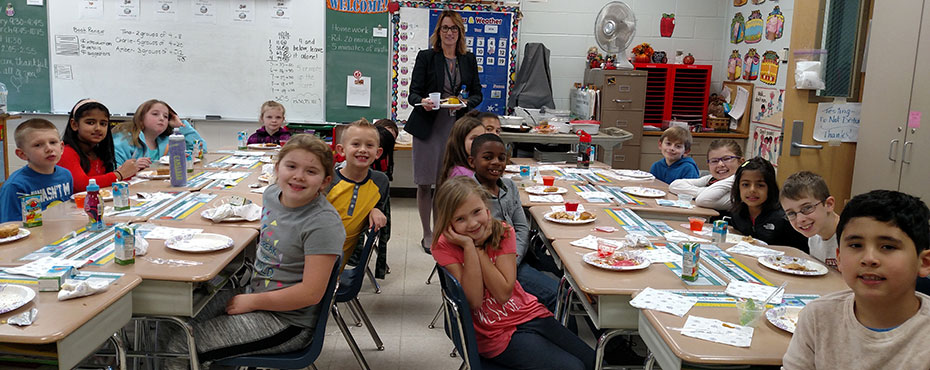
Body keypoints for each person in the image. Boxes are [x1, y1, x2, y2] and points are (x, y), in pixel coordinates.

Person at [163, 134, 343, 369]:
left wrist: (253, 302)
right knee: (171, 322)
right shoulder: (271, 195)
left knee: (181, 346)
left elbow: (310, 293)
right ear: (277, 168)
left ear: (324, 181)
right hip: (255, 294)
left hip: (288, 321)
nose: (298, 176)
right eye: (291, 166)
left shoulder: (322, 223)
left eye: (311, 171)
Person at [431, 176, 595, 370]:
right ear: (449, 224)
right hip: (492, 332)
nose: (473, 223)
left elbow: (504, 292)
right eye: (460, 219)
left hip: (526, 313)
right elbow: (474, 301)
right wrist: (470, 247)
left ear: (486, 208)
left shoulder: (503, 232)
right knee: (573, 367)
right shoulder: (444, 246)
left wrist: (480, 251)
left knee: (591, 361)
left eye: (476, 212)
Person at [782, 190, 930, 369]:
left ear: (924, 262)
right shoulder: (817, 317)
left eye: (888, 247)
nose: (869, 258)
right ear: (839, 258)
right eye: (855, 245)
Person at [405, 10, 483, 254]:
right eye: (445, 28)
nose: (449, 33)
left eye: (454, 28)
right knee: (425, 183)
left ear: (460, 33)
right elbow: (413, 94)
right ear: (438, 32)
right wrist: (424, 101)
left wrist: (465, 103)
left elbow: (477, 94)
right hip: (428, 126)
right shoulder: (427, 57)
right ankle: (427, 234)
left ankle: (441, 231)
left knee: (447, 184)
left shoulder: (467, 59)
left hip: (454, 127)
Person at [468, 134, 558, 311]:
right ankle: (560, 335)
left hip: (518, 254)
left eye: (501, 158)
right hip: (496, 262)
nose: (496, 162)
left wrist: (515, 257)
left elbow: (522, 226)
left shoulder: (509, 186)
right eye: (488, 157)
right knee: (556, 293)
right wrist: (509, 265)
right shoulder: (468, 195)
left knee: (571, 275)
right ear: (472, 162)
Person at [327, 119, 389, 270]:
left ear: (378, 153)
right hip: (313, 254)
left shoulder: (380, 181)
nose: (363, 150)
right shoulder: (327, 182)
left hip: (339, 263)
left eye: (369, 145)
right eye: (355, 144)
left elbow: (378, 204)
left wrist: (376, 209)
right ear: (341, 150)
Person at [58, 99, 140, 192]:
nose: (98, 128)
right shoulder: (66, 152)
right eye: (90, 123)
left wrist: (130, 171)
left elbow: (104, 181)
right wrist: (119, 174)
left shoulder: (97, 152)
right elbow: (82, 185)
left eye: (103, 124)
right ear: (74, 125)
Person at [0, 119, 73, 222]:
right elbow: (9, 226)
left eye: (53, 142)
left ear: (61, 148)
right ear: (22, 154)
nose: (49, 149)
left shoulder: (66, 175)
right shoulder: (16, 186)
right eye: (38, 145)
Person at [728, 157, 808, 252]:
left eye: (760, 185)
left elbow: (800, 250)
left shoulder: (784, 217)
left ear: (770, 188)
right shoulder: (737, 213)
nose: (752, 190)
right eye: (746, 185)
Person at [113, 99, 206, 167]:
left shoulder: (167, 141)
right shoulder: (124, 140)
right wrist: (133, 168)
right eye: (155, 114)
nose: (161, 118)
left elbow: (200, 152)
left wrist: (180, 126)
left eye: (165, 116)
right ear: (141, 119)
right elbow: (112, 169)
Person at [780, 171, 840, 269]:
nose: (800, 219)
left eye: (807, 208)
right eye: (791, 213)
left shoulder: (851, 239)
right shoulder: (813, 238)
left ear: (829, 204)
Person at [669, 139, 744, 211]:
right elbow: (674, 185)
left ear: (741, 162)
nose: (720, 164)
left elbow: (703, 200)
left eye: (727, 159)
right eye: (714, 161)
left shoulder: (742, 189)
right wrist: (705, 191)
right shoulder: (711, 179)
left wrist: (738, 176)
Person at [438, 116, 485, 186]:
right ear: (460, 141)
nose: (480, 142)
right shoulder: (463, 175)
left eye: (483, 138)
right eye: (474, 138)